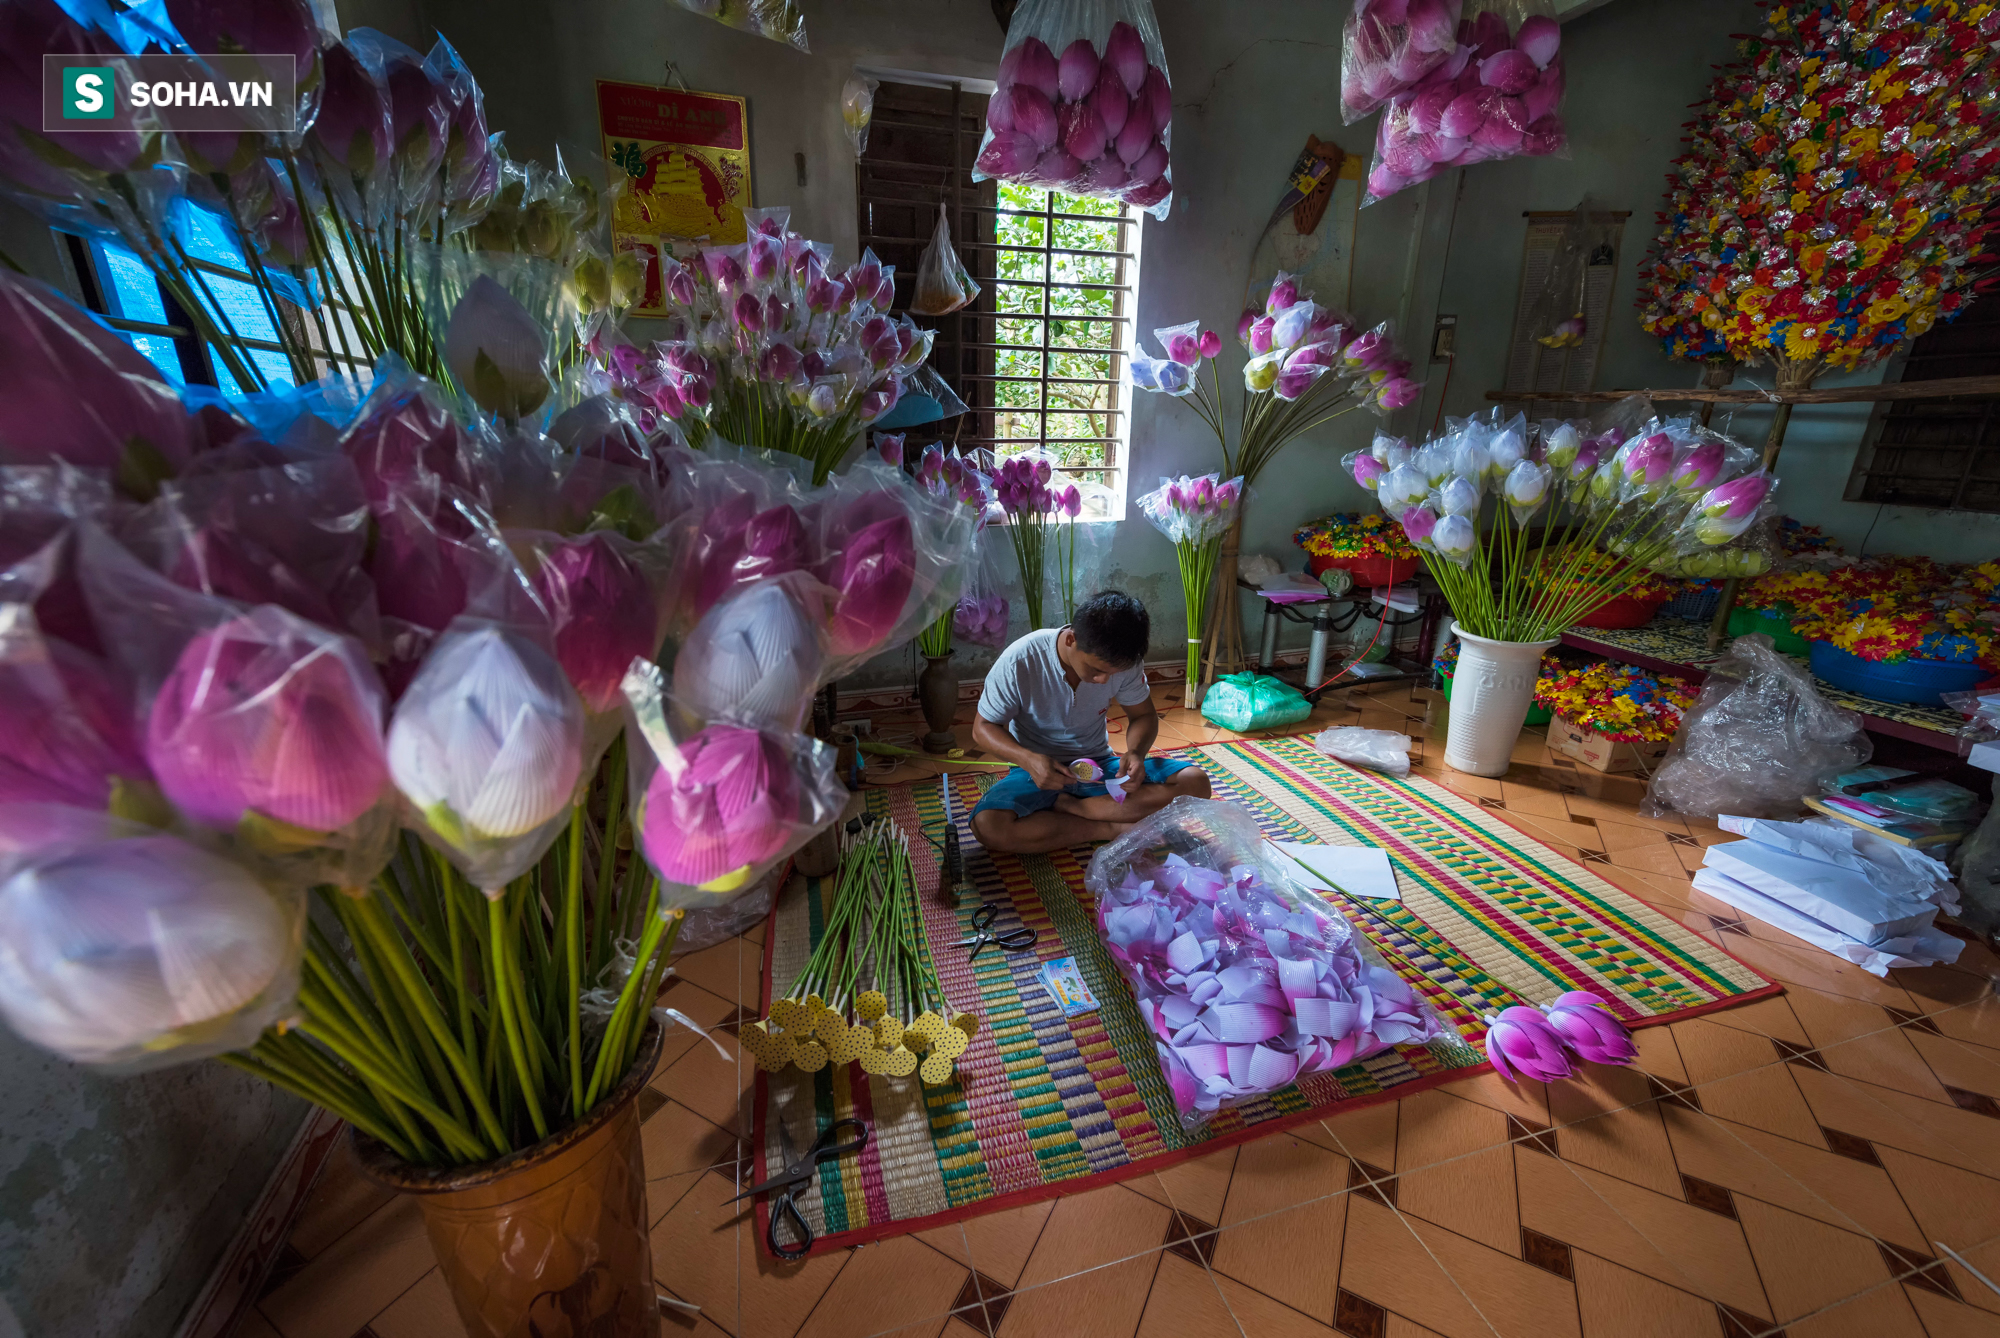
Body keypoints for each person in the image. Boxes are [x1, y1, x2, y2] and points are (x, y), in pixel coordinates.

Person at [970, 590, 1211, 855]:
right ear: (1071, 639)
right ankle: (1112, 828)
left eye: (1112, 673)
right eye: (1096, 670)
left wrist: (1135, 753)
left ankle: (1075, 809)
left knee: (1195, 782)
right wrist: (1029, 760)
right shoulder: (1021, 661)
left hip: (1099, 764)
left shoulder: (1123, 661)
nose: (1104, 681)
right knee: (989, 826)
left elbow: (1143, 716)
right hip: (1038, 771)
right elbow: (983, 728)